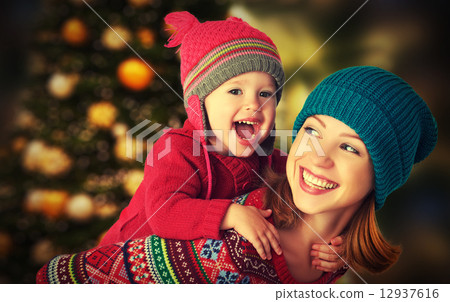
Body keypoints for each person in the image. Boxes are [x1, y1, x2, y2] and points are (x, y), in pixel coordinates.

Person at [36, 66, 437, 284]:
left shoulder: (330, 255)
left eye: (350, 147)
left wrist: (345, 250)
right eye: (312, 131)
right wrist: (225, 214)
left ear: (381, 177)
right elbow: (58, 280)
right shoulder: (229, 249)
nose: (318, 157)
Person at [99, 11, 343, 266]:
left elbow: (309, 184)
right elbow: (165, 212)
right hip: (124, 263)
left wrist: (337, 240)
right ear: (199, 104)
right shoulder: (178, 149)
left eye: (265, 94)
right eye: (235, 91)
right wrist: (232, 214)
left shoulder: (270, 160)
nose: (253, 104)